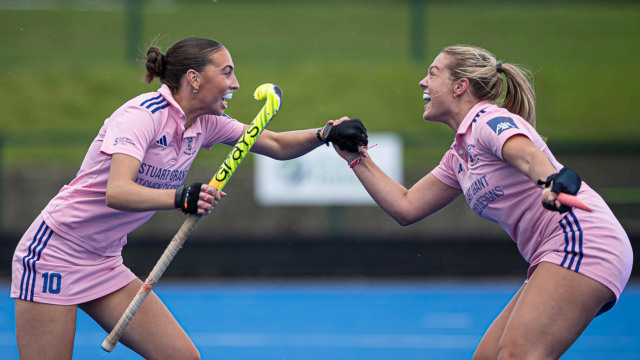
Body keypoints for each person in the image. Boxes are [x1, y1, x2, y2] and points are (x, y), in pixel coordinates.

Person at [11, 37, 367, 360]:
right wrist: (182, 197)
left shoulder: (205, 123)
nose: (236, 84)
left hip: (103, 261)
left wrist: (326, 132)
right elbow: (117, 192)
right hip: (53, 253)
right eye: (226, 72)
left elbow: (273, 144)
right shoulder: (141, 116)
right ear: (194, 78)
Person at [332, 45, 633, 359]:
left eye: (433, 74)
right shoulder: (458, 155)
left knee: (517, 354)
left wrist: (551, 180)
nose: (423, 82)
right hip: (556, 251)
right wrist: (356, 158)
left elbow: (531, 158)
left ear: (460, 86)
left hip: (584, 240)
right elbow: (406, 207)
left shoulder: (488, 121)